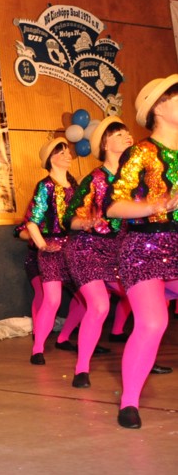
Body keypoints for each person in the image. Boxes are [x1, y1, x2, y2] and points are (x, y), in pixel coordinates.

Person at [107, 74, 178, 429]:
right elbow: (113, 206)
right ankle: (129, 402)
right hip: (144, 246)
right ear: (159, 109)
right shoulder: (140, 152)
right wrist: (156, 205)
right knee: (153, 322)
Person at [63, 117, 134, 387]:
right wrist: (85, 222)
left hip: (120, 251)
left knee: (147, 301)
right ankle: (82, 368)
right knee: (100, 305)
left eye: (127, 132)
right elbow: (69, 218)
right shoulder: (94, 179)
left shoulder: (135, 177)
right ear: (105, 144)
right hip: (87, 248)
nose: (126, 136)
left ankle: (143, 356)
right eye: (118, 134)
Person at [22, 137, 78, 365]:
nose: (67, 155)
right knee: (52, 300)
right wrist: (42, 245)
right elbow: (31, 223)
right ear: (50, 159)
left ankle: (65, 337)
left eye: (68, 151)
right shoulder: (45, 186)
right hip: (52, 249)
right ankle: (38, 349)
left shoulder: (76, 187)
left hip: (74, 249)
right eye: (61, 152)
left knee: (89, 300)